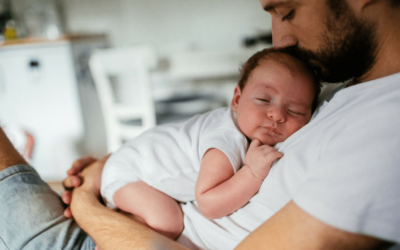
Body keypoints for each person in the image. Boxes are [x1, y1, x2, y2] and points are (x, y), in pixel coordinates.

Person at [0, 0, 399, 249]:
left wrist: (88, 201)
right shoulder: (338, 89)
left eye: (287, 10)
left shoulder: (386, 125)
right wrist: (113, 168)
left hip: (124, 234)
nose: (281, 41)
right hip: (138, 217)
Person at [100, 48, 320, 240]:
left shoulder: (242, 128)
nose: (277, 115)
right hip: (127, 173)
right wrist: (252, 173)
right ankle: (112, 232)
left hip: (134, 159)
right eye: (264, 100)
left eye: (295, 111)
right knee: (169, 222)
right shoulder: (226, 140)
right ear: (236, 100)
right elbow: (208, 204)